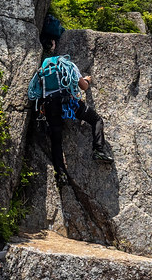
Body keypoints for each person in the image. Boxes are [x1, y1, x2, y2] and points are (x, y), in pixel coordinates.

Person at [27, 50, 113, 188]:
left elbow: (35, 92)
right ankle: (99, 150)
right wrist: (87, 80)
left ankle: (60, 174)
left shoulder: (42, 72)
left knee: (56, 141)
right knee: (96, 120)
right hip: (68, 103)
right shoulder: (68, 66)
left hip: (49, 107)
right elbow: (83, 86)